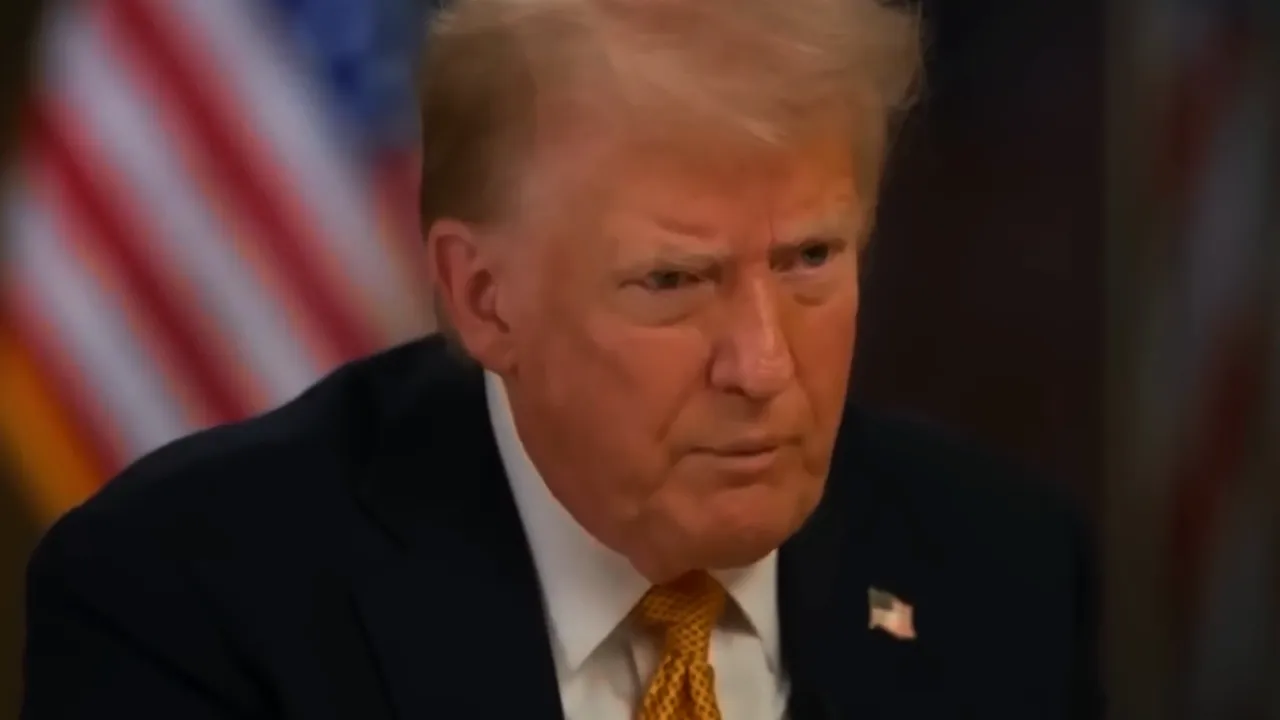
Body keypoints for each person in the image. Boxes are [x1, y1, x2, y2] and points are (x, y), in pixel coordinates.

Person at [21, 0, 1104, 717]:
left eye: (810, 260)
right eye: (673, 282)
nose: (762, 364)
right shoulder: (189, 608)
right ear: (481, 295)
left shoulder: (1000, 573)